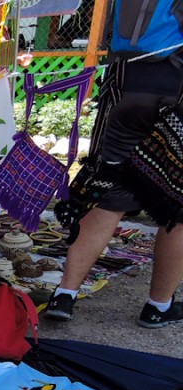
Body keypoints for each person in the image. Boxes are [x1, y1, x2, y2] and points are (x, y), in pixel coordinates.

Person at [44, 62, 183, 327]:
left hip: (126, 86)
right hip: (177, 93)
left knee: (108, 193)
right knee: (176, 206)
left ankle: (64, 294)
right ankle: (159, 306)